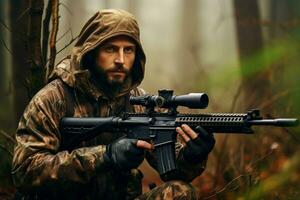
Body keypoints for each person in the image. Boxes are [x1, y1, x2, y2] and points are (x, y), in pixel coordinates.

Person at [12, 9, 215, 200]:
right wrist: (105, 156)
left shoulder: (138, 101)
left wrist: (192, 156)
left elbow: (173, 172)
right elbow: (25, 171)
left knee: (179, 192)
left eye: (128, 50)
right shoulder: (53, 99)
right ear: (91, 52)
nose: (120, 60)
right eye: (110, 49)